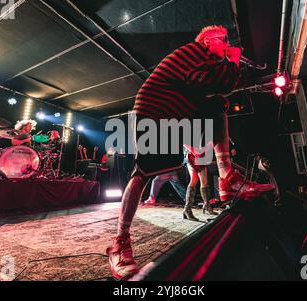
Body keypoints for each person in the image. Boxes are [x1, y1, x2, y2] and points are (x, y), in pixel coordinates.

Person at [107, 25, 274, 280]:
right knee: (142, 173)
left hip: (182, 110)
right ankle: (120, 242)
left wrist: (230, 61)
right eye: (223, 40)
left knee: (219, 104)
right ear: (208, 41)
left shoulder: (207, 60)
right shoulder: (193, 51)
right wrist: (232, 59)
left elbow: (224, 85)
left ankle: (227, 178)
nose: (227, 43)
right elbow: (214, 81)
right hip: (158, 110)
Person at [182, 143, 217, 221]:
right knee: (194, 180)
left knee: (204, 182)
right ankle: (187, 210)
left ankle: (207, 205)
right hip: (192, 155)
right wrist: (194, 151)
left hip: (201, 155)